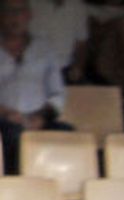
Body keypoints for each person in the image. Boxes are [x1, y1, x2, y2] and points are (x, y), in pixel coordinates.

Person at [0, 0, 72, 173]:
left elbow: (58, 94)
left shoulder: (45, 48)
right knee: (13, 135)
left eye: (20, 11)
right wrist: (6, 113)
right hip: (3, 120)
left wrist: (40, 117)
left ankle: (57, 192)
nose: (15, 17)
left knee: (67, 133)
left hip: (38, 119)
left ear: (29, 15)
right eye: (9, 11)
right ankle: (18, 189)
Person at [29, 0, 89, 83]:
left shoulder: (77, 6)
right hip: (32, 68)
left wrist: (78, 67)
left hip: (64, 70)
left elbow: (81, 43)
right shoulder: (30, 4)